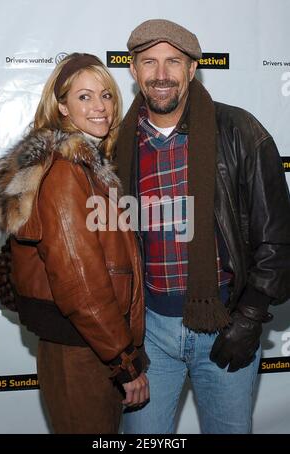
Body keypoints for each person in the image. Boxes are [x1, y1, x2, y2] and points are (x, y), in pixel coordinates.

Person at [114, 19, 290, 434]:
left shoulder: (240, 131)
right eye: (149, 62)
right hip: (148, 333)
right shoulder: (115, 145)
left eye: (173, 61)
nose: (161, 74)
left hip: (225, 320)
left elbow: (277, 238)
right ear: (134, 70)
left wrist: (249, 316)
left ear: (192, 69)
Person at [0, 52, 149, 434]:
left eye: (107, 95)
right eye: (84, 97)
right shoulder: (65, 173)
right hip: (86, 349)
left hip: (88, 345)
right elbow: (81, 283)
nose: (100, 107)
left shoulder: (87, 168)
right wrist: (124, 362)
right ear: (61, 105)